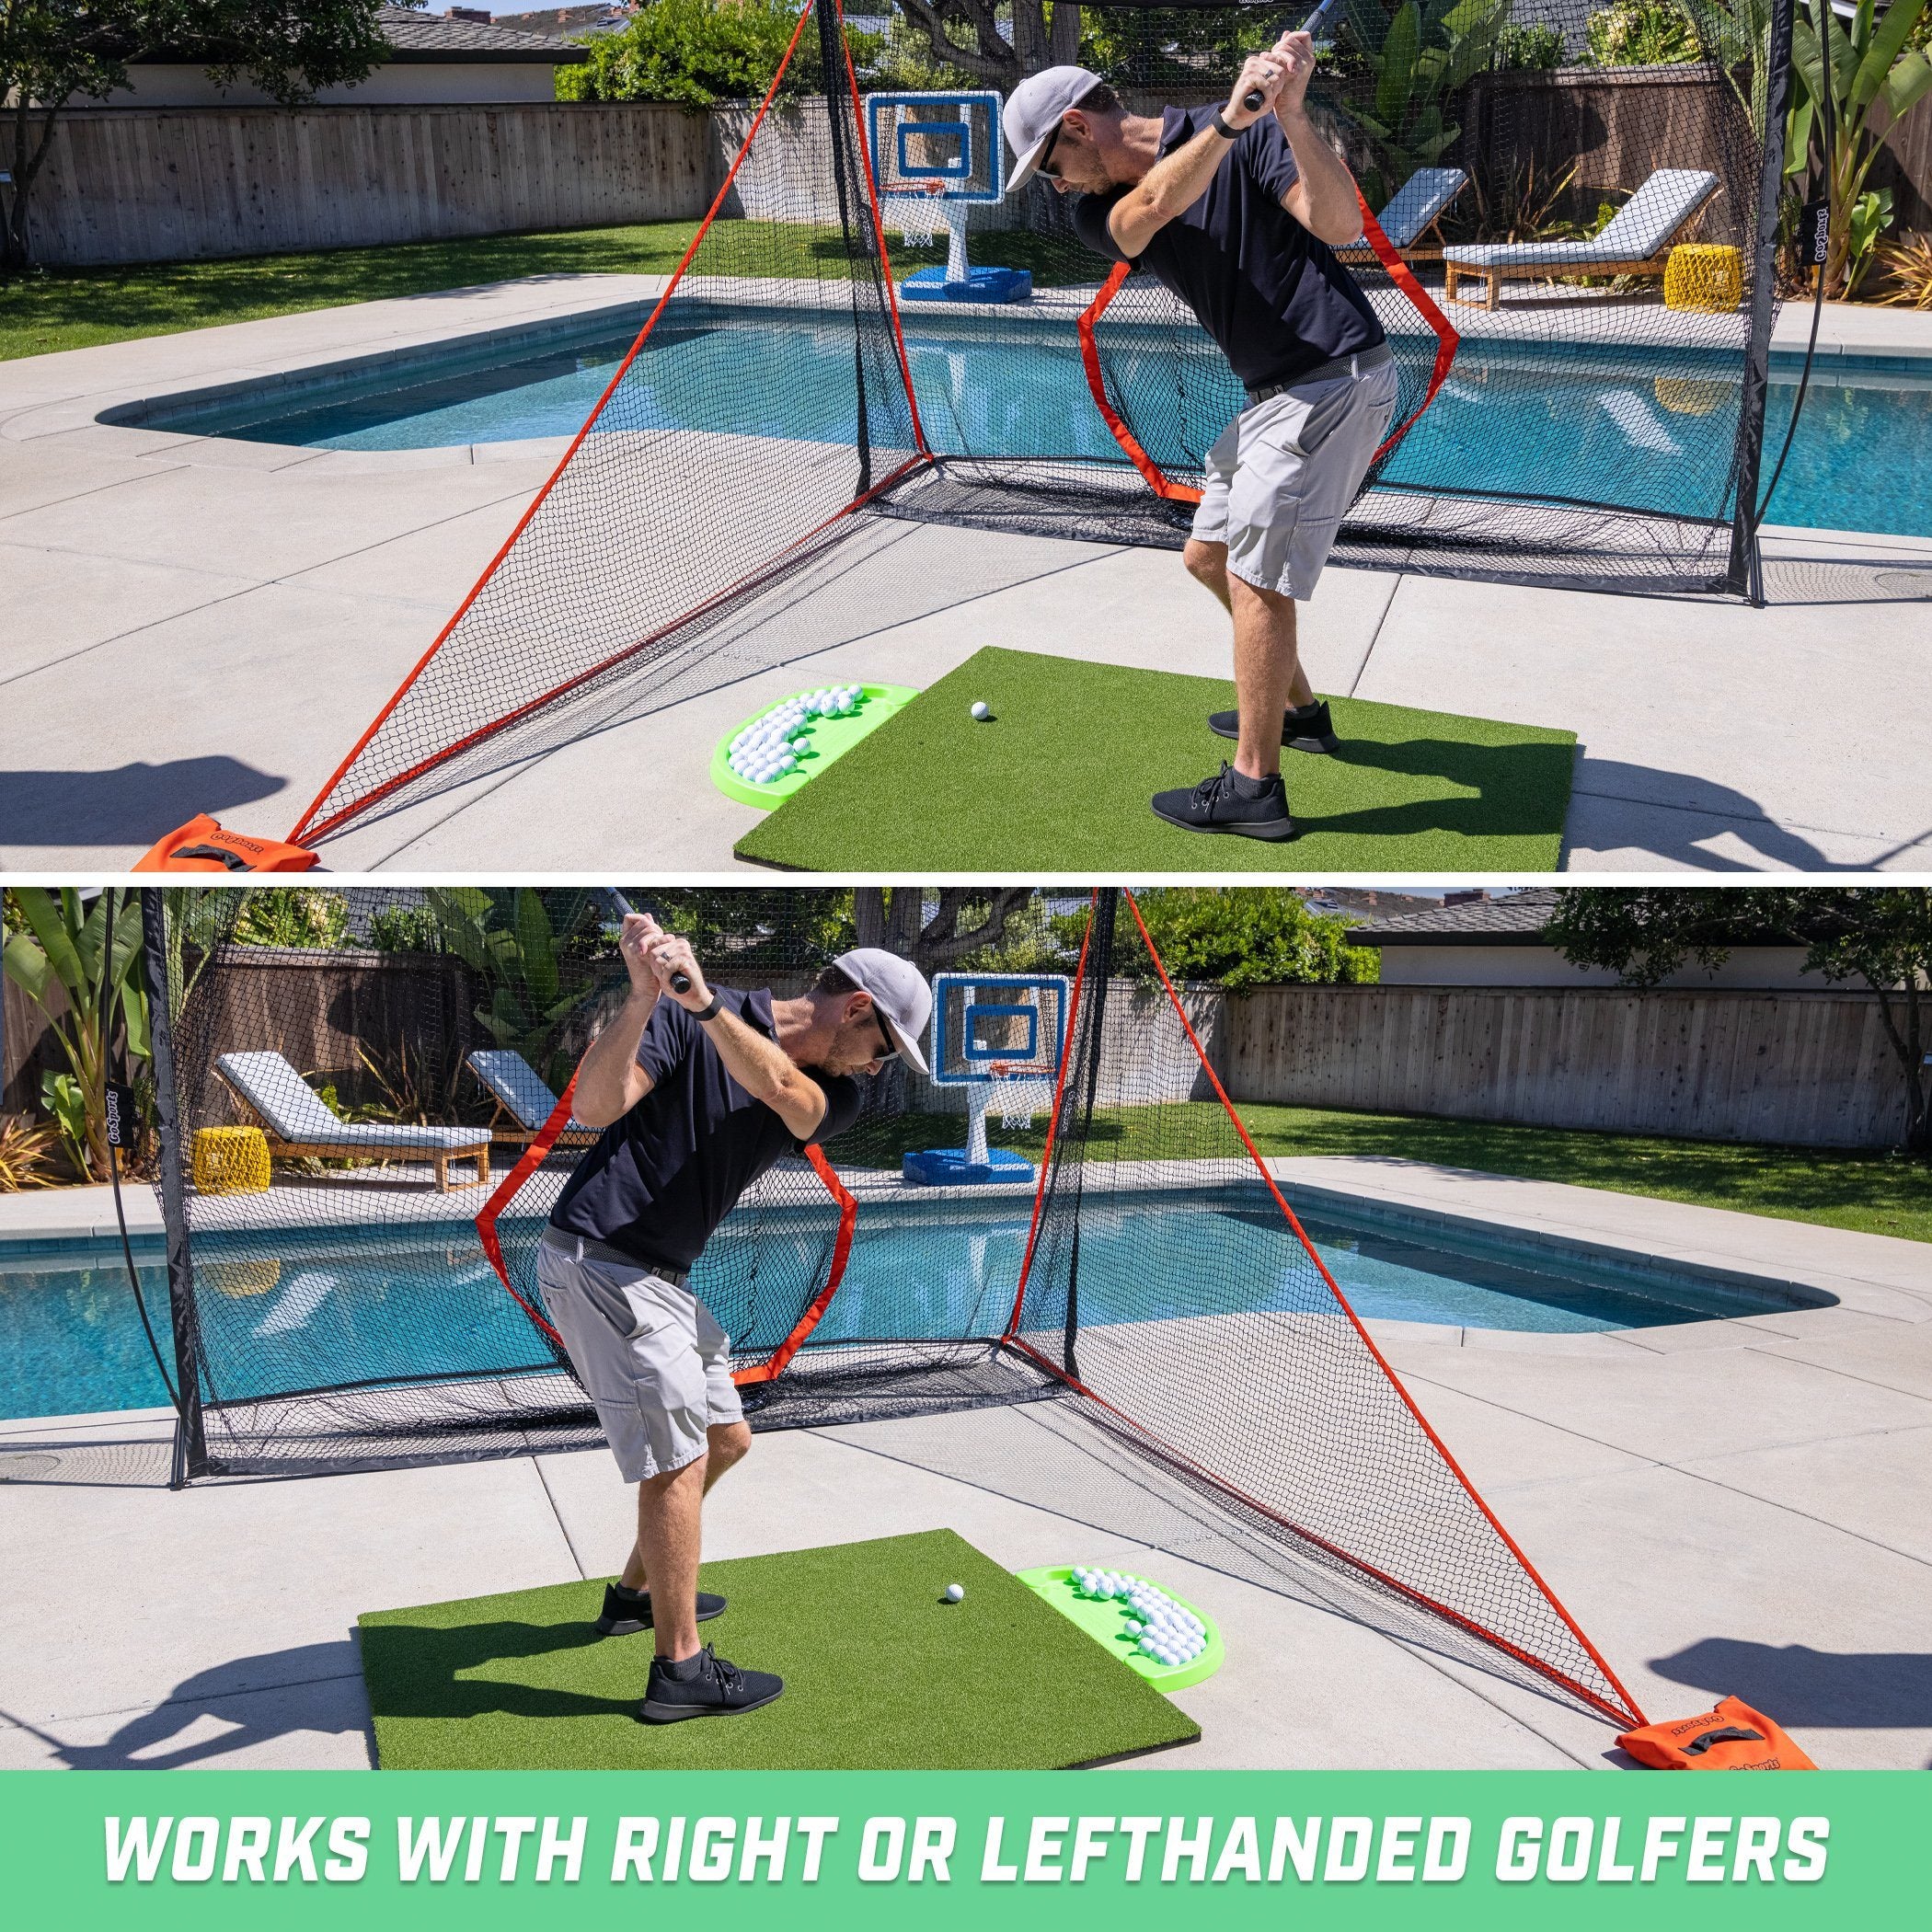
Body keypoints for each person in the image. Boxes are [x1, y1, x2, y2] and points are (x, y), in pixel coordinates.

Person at [536, 913, 933, 1723]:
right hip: (604, 1262)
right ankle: (679, 1670)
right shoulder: (687, 1017)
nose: (880, 1069)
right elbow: (594, 1106)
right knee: (676, 1462)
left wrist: (704, 1007)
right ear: (858, 1008)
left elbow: (783, 1093)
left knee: (725, 1438)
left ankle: (631, 1596)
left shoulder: (834, 1091)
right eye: (885, 1048)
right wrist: (646, 997)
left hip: (655, 1276)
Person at [1003, 38, 1398, 841]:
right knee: (1210, 556)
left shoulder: (1252, 134)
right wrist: (1226, 124)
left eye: (1050, 165)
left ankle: (1255, 788)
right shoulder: (1101, 206)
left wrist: (1288, 116)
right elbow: (1145, 215)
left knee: (1258, 580)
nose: (1054, 186)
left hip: (1330, 378)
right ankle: (1304, 715)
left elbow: (1340, 224)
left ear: (1076, 125)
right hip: (1278, 394)